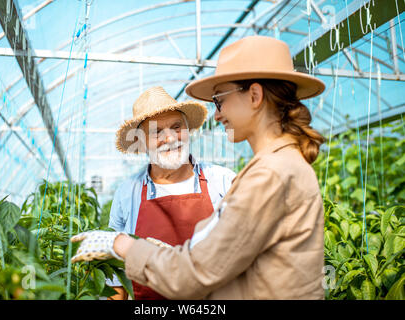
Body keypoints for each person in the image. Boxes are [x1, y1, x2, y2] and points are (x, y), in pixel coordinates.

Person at [70, 35, 327, 299]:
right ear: (143, 142)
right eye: (157, 132)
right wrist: (168, 254)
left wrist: (121, 244)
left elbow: (196, 273)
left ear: (254, 95)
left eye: (219, 100)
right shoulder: (276, 166)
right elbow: (225, 258)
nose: (216, 114)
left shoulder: (268, 175)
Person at [104, 86, 236, 300]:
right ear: (142, 142)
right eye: (156, 132)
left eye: (176, 127)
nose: (170, 138)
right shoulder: (129, 193)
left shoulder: (222, 182)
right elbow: (115, 274)